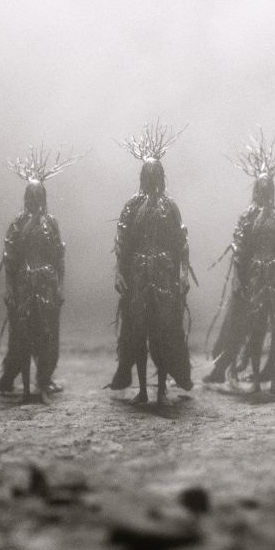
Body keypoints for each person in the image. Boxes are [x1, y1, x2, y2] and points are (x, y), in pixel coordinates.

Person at [107, 122, 195, 405]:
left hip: (165, 277)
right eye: (148, 173)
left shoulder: (170, 207)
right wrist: (119, 273)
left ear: (162, 175)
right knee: (136, 333)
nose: (152, 177)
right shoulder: (132, 206)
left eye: (156, 173)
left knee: (165, 333)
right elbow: (122, 244)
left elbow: (181, 243)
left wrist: (183, 274)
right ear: (142, 175)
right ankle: (143, 389)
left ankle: (161, 389)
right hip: (138, 278)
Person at [204, 130, 275, 394]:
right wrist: (237, 279)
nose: (265, 190)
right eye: (262, 186)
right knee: (253, 326)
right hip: (253, 277)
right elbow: (240, 252)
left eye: (269, 187)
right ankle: (252, 377)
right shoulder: (248, 216)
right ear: (257, 188)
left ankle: (274, 378)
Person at [0, 147, 74, 401]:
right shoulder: (17, 224)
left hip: (47, 285)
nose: (35, 198)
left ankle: (44, 378)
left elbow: (59, 258)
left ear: (44, 196)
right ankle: (13, 377)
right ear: (26, 196)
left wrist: (60, 286)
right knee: (21, 334)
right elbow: (9, 260)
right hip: (23, 284)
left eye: (38, 194)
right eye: (31, 194)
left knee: (48, 333)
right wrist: (10, 289)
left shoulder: (51, 223)